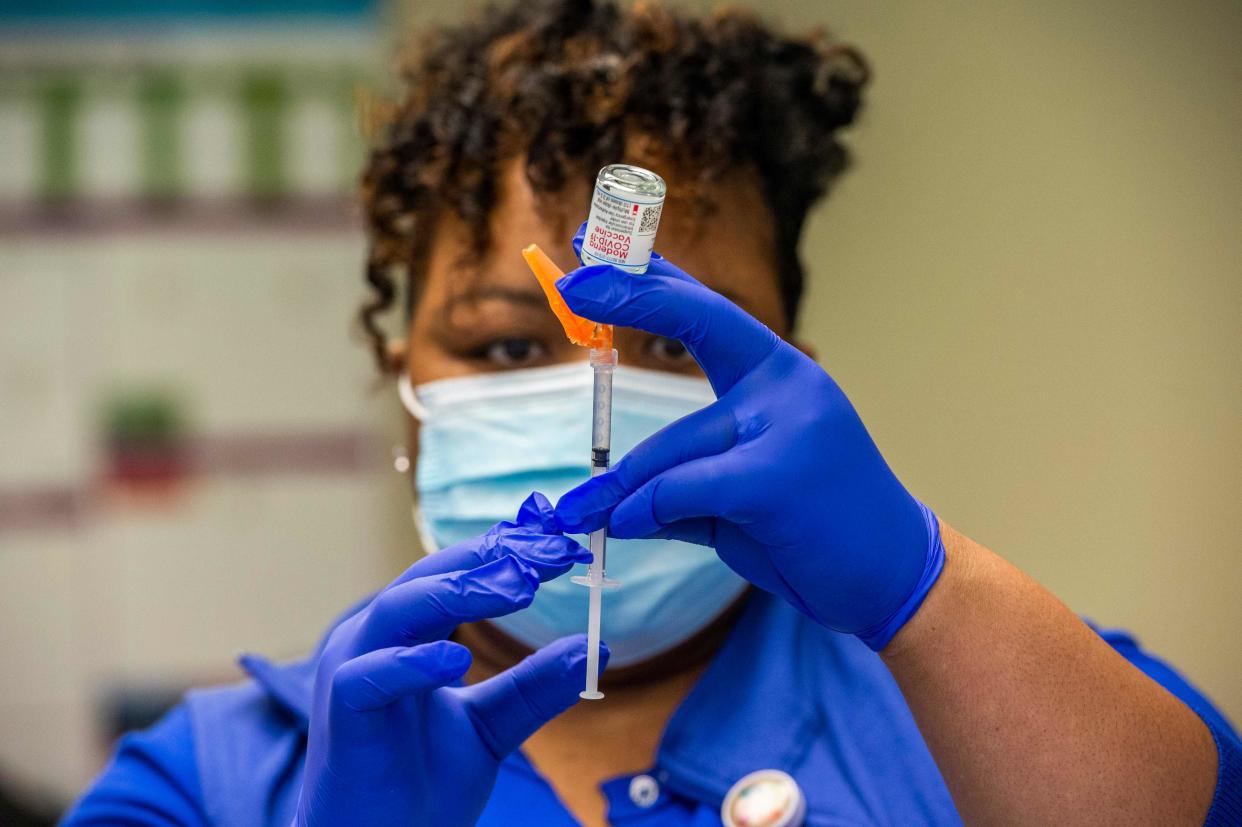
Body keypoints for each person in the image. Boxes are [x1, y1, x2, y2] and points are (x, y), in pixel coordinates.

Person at [63, 1, 1240, 825]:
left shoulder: (990, 701)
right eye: (507, 344)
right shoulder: (217, 779)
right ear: (404, 378)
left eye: (679, 340)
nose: (595, 389)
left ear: (797, 383)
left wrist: (923, 586)